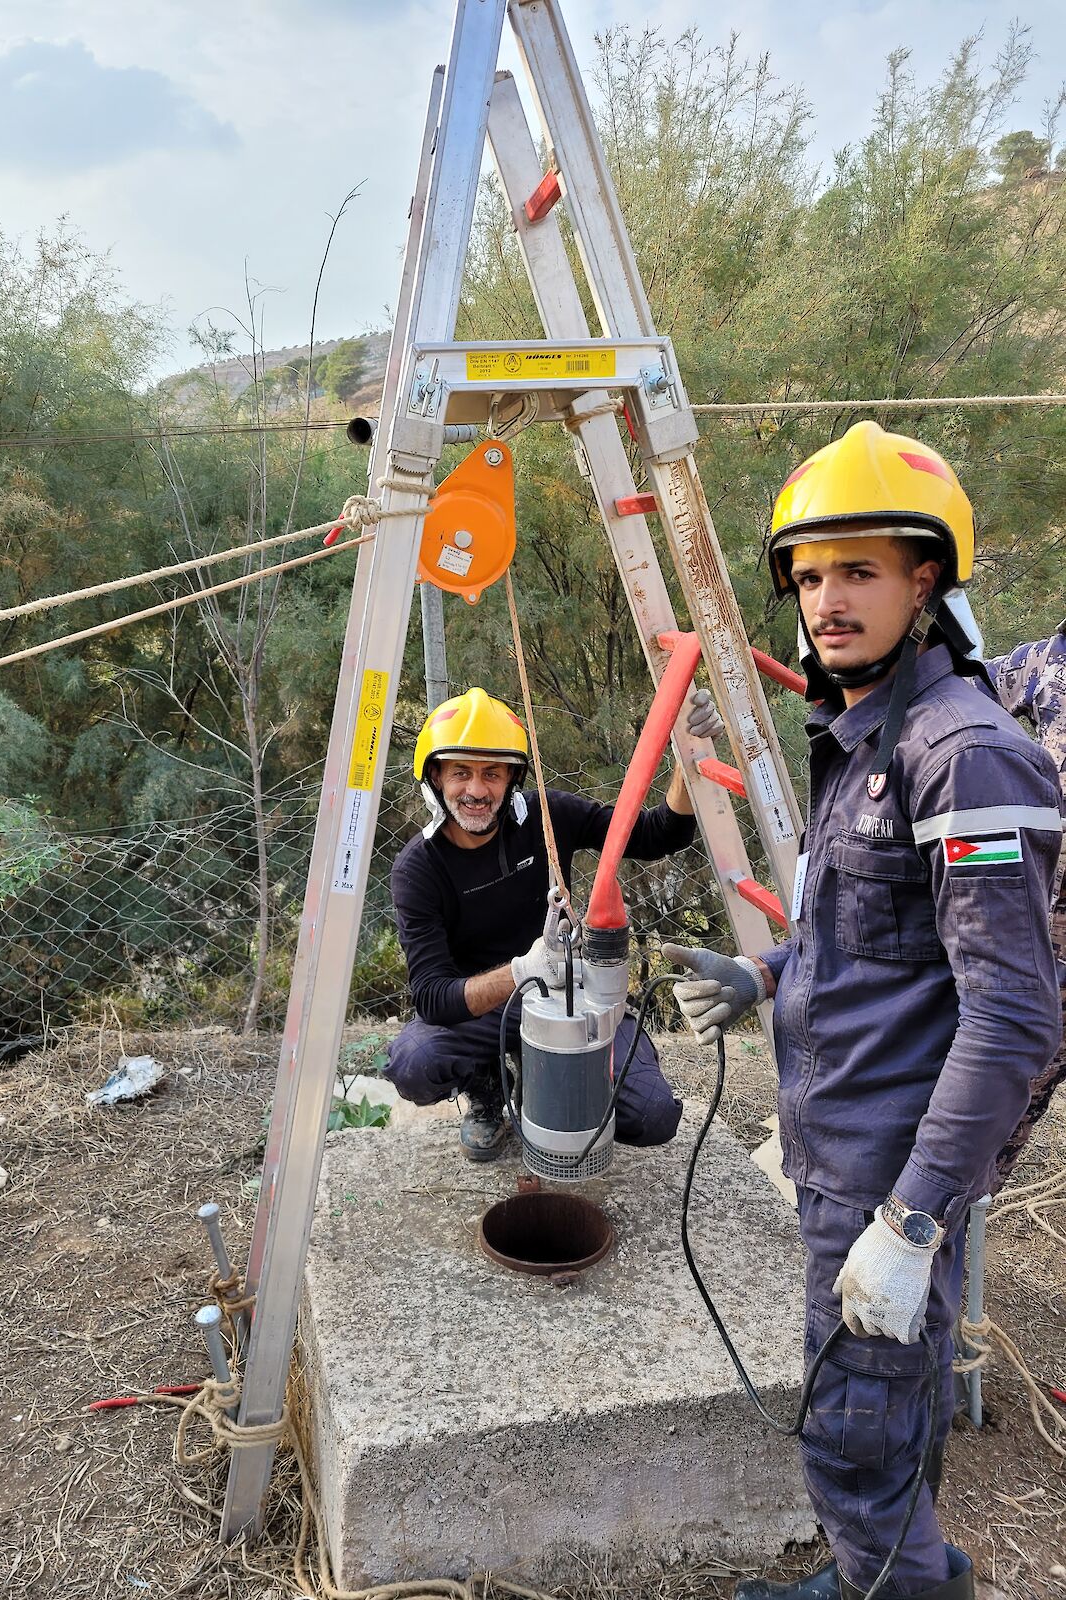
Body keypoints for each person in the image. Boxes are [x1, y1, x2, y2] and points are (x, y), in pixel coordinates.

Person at [663, 422, 1062, 1600]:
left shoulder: (965, 756)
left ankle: (893, 1583)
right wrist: (767, 978)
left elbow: (1011, 1018)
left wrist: (915, 1222)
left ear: (925, 577)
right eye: (813, 572)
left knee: (852, 1426)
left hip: (895, 1171)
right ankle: (898, 1570)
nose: (828, 599)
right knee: (881, 1406)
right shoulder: (865, 731)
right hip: (844, 1150)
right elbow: (870, 937)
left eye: (862, 570)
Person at [384, 683, 721, 1160]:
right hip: (487, 1012)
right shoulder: (418, 868)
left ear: (513, 777)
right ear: (435, 778)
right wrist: (522, 971)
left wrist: (690, 760)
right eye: (460, 772)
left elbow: (654, 834)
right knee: (415, 1063)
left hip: (571, 990)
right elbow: (433, 998)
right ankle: (488, 1086)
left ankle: (551, 1077)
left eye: (492, 773)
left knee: (653, 1117)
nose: (477, 790)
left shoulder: (549, 815)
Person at [986, 621, 1066, 1185]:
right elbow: (961, 695)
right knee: (1017, 1076)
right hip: (1039, 915)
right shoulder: (1045, 662)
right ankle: (947, 1215)